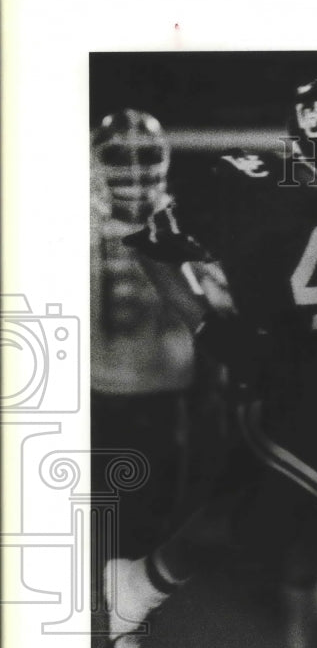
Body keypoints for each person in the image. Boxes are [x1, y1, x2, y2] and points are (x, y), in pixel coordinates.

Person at [94, 74, 317, 648]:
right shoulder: (247, 185)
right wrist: (207, 327)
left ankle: (139, 586)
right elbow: (155, 247)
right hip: (285, 372)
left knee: (247, 516)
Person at [90, 109, 200, 560]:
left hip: (166, 386)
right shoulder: (66, 223)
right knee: (102, 521)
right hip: (98, 389)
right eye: (119, 153)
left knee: (156, 513)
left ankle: (131, 612)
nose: (134, 167)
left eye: (146, 153)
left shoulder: (178, 220)